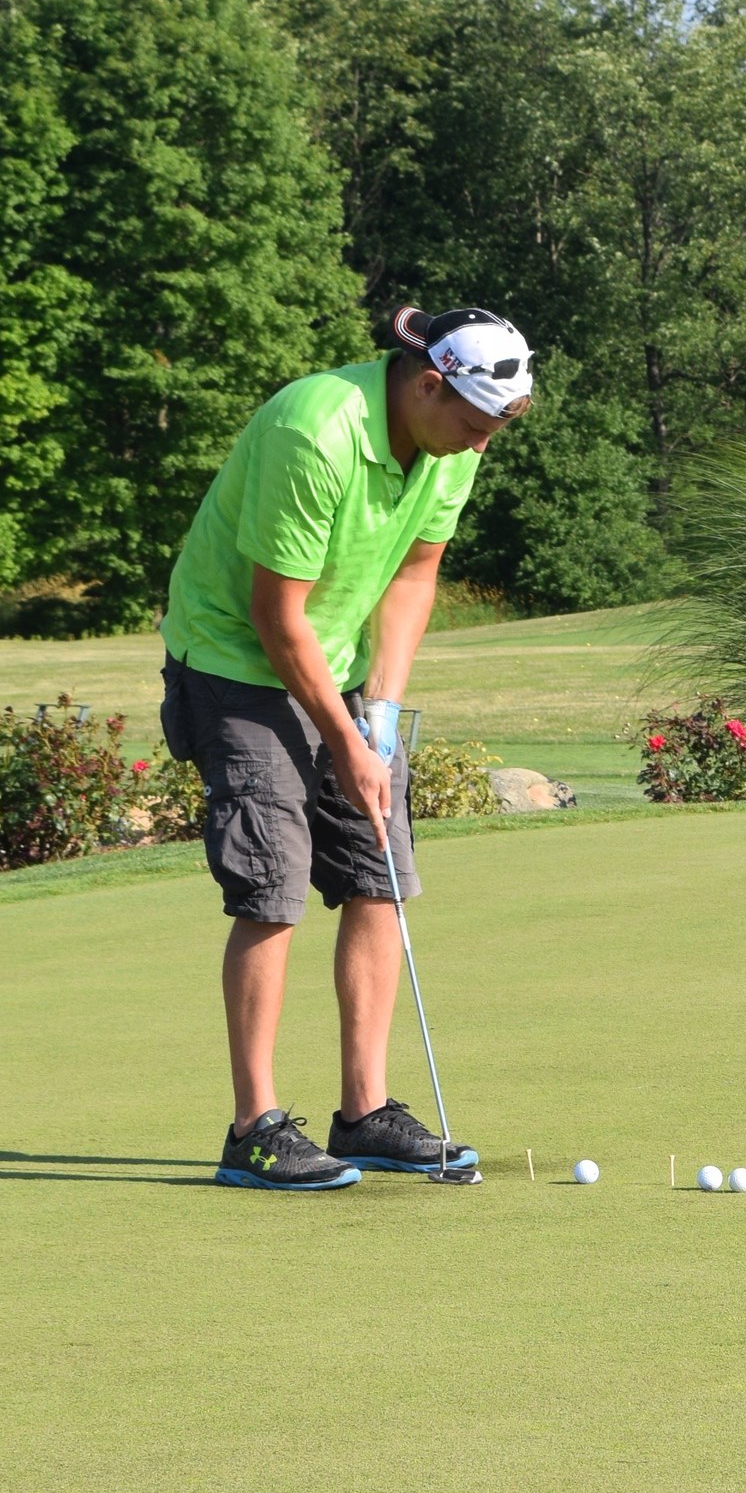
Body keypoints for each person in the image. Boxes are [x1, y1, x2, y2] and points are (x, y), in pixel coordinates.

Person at [156, 304, 531, 1191]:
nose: (480, 449)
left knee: (379, 875)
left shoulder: (448, 446)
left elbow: (413, 576)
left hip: (343, 663)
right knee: (273, 884)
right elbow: (276, 619)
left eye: (493, 434)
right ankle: (254, 1128)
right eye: (474, 427)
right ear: (428, 384)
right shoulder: (313, 429)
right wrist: (342, 737)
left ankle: (364, 1113)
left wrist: (385, 718)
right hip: (235, 662)